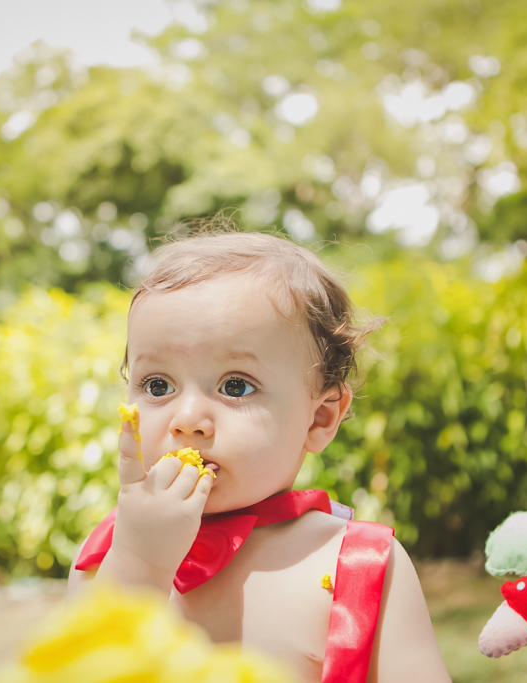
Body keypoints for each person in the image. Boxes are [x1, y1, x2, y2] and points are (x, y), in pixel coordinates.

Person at [68, 229, 451, 683]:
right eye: (157, 386)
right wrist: (139, 563)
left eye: (235, 386)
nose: (186, 419)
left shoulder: (360, 562)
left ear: (319, 419)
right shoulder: (107, 554)